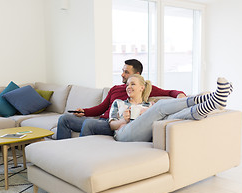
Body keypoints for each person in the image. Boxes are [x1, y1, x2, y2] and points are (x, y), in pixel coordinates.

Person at [56, 59, 186, 139]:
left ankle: (78, 152)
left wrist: (180, 95)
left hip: (113, 124)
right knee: (64, 119)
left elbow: (170, 92)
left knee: (89, 123)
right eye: (122, 71)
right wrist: (84, 111)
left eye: (126, 72)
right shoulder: (115, 88)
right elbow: (101, 107)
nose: (122, 74)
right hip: (102, 120)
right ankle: (61, 151)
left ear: (137, 75)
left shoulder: (143, 87)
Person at [109, 74, 233, 142]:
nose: (128, 87)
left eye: (133, 84)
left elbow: (171, 93)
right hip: (124, 134)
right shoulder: (119, 103)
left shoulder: (148, 105)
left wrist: (147, 112)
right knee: (160, 106)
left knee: (173, 117)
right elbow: (111, 125)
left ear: (142, 87)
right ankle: (210, 97)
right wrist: (124, 120)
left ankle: (212, 103)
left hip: (147, 134)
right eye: (127, 85)